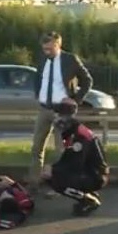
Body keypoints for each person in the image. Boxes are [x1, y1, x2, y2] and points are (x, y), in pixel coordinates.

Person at [29, 31, 93, 196]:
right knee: (36, 147)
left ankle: (58, 186)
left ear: (58, 45)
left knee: (61, 151)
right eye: (44, 49)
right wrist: (38, 94)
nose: (47, 52)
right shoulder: (43, 59)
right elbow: (38, 78)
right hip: (44, 108)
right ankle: (34, 183)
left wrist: (76, 99)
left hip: (62, 111)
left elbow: (87, 80)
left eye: (50, 49)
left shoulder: (70, 60)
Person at [41, 98, 109, 217]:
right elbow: (69, 158)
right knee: (54, 173)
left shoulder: (78, 136)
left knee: (56, 180)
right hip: (92, 172)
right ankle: (88, 194)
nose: (56, 118)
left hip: (95, 176)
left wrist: (53, 170)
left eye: (59, 115)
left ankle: (88, 200)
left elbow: (75, 164)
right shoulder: (74, 130)